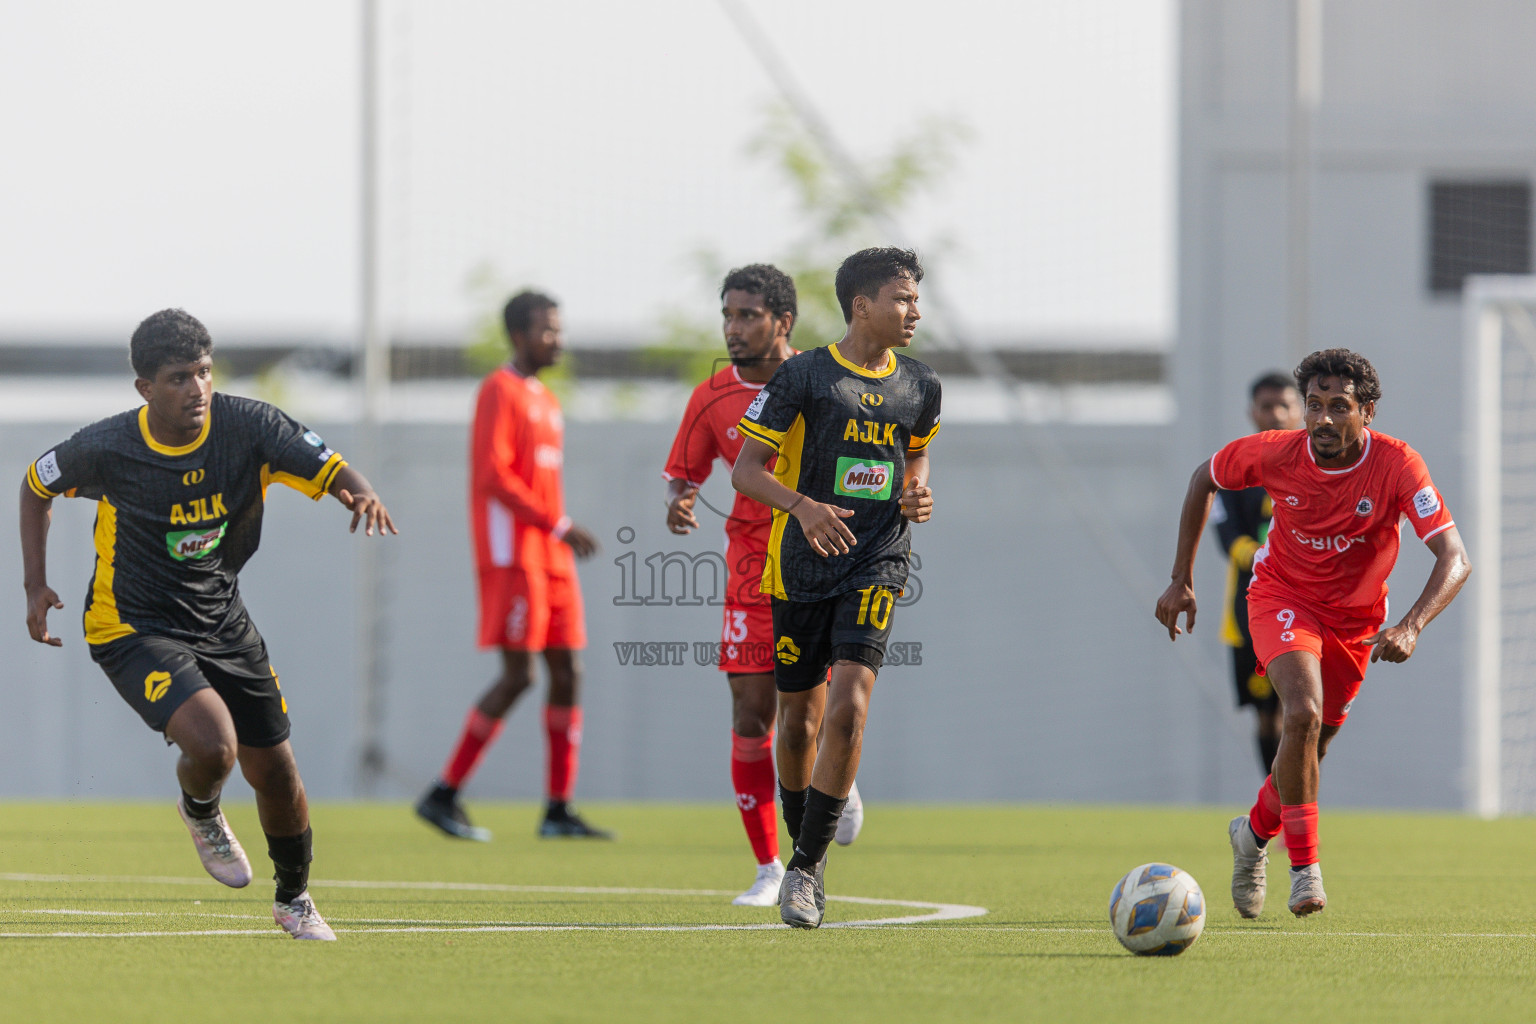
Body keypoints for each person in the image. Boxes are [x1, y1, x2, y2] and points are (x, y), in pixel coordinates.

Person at [20, 309, 398, 940]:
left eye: (203, 372)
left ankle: (294, 899)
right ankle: (201, 809)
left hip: (222, 619)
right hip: (131, 625)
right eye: (177, 378)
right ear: (145, 389)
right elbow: (36, 485)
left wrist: (360, 492)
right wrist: (36, 584)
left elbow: (329, 466)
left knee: (276, 770)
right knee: (215, 745)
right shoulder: (108, 446)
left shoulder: (249, 427)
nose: (196, 388)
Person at [1155, 349, 1470, 917]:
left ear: (1367, 411)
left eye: (1339, 407)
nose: (1322, 419)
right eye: (1315, 405)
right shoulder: (1276, 453)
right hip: (1282, 597)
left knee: (1309, 750)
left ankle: (1250, 836)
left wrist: (1412, 625)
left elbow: (1455, 556)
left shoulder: (1398, 465)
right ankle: (1306, 871)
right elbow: (1205, 476)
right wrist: (1181, 579)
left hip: (1357, 623)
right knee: (1300, 715)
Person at [732, 247, 939, 928]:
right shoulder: (805, 377)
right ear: (862, 306)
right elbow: (746, 470)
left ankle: (805, 870)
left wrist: (916, 491)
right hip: (803, 562)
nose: (914, 311)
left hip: (878, 557)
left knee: (850, 705)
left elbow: (915, 452)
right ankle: (804, 844)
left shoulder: (921, 384)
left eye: (915, 299)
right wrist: (803, 506)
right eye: (903, 299)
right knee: (799, 724)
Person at [662, 264, 864, 907]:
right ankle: (770, 866)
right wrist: (679, 500)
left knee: (811, 716)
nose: (734, 327)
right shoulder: (710, 396)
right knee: (752, 711)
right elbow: (684, 471)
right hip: (751, 571)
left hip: (819, 561)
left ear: (783, 322)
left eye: (748, 315)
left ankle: (838, 778)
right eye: (728, 314)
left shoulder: (821, 380)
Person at [415, 291, 609, 841]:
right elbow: (493, 476)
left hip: (551, 555)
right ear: (520, 335)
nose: (558, 339)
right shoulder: (498, 390)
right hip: (515, 555)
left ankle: (557, 810)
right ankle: (443, 792)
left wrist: (557, 531)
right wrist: (560, 524)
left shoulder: (546, 398)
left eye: (559, 328)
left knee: (568, 672)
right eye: (548, 329)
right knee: (519, 674)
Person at [1209, 372, 1303, 775]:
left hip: (1306, 606)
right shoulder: (1233, 467)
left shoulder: (1316, 466)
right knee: (1268, 717)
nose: (1277, 414)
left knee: (1303, 714)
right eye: (1268, 407)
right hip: (1250, 611)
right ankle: (1277, 805)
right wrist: (1266, 555)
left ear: (1299, 410)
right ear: (1252, 412)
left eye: (1285, 405)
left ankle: (1296, 804)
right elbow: (1225, 534)